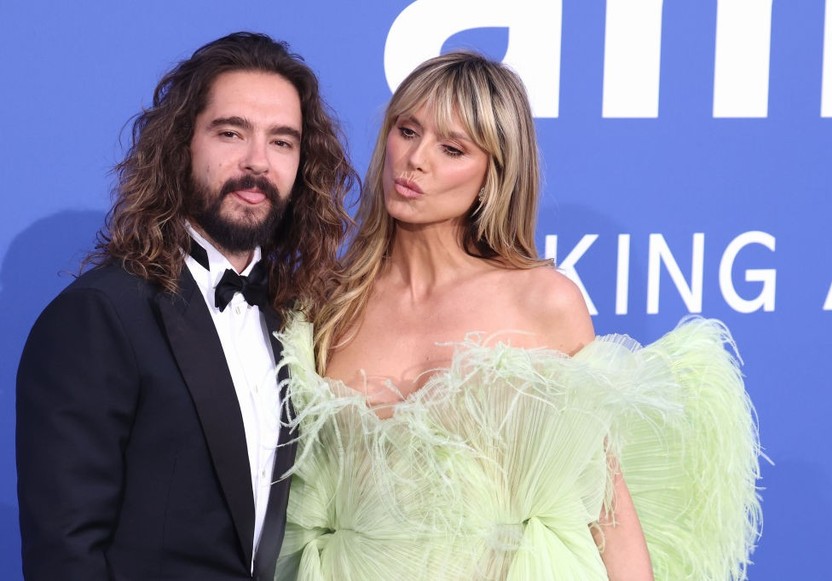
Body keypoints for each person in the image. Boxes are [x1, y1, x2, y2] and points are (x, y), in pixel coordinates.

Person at [274, 52, 762, 580]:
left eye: (452, 148)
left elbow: (605, 504)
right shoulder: (326, 304)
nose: (416, 159)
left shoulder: (543, 302)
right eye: (407, 130)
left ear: (492, 174)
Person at [16, 32, 355, 580]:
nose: (257, 162)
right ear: (182, 145)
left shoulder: (298, 319)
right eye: (230, 132)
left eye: (282, 141)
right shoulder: (100, 315)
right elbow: (65, 550)